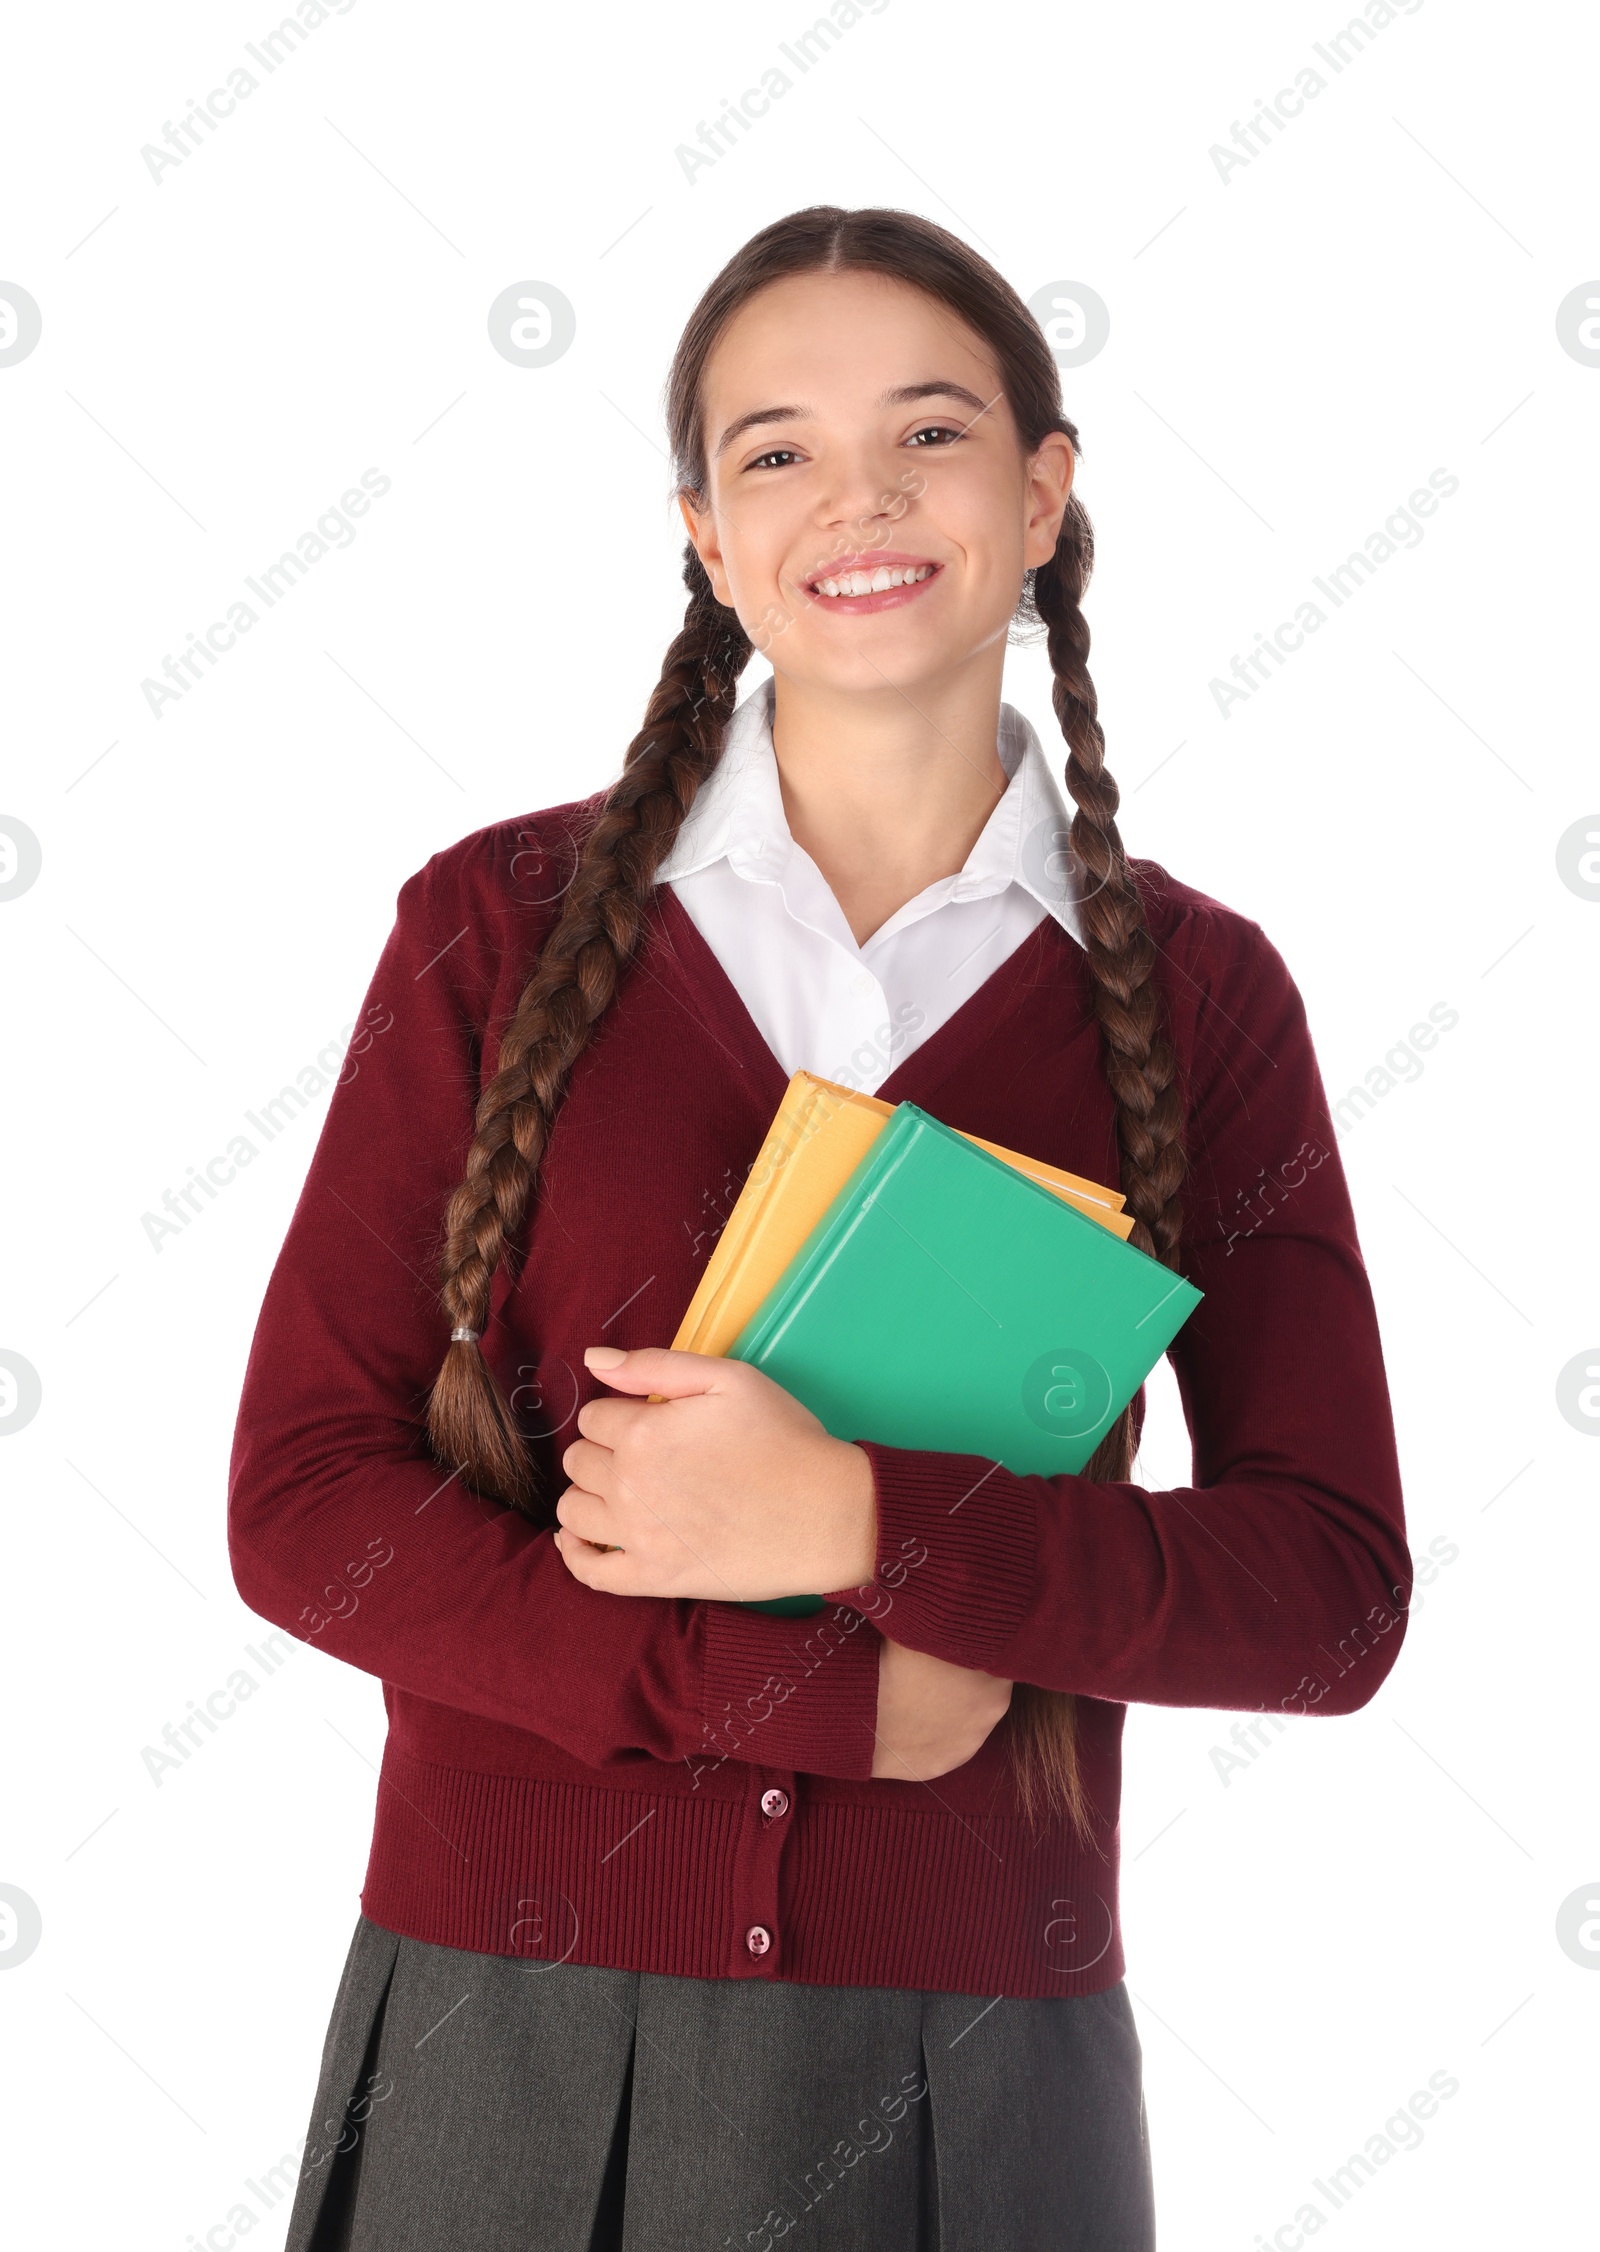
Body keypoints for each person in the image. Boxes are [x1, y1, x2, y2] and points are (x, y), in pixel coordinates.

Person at [229, 205, 1412, 2251]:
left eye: (929, 434)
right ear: (704, 533)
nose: (853, 498)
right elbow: (307, 1501)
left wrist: (864, 1520)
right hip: (498, 2043)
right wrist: (777, 1685)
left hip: (975, 2056)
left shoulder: (1200, 998)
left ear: (1042, 494)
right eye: (773, 449)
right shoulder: (492, 931)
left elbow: (1324, 1594)